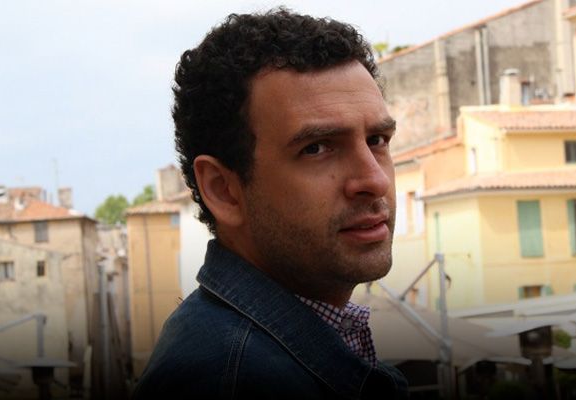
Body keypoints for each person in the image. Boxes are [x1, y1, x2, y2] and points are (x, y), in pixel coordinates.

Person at [132, 8, 408, 399]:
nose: (375, 180)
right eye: (317, 148)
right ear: (224, 190)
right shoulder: (230, 381)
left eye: (377, 140)